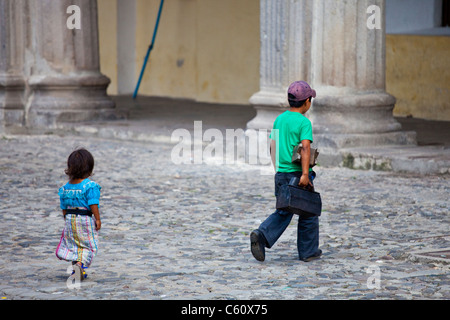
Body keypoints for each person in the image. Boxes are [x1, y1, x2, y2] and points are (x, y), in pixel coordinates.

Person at [250, 80, 322, 262]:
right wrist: (305, 175)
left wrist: (278, 169)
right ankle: (308, 252)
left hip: (281, 174)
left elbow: (272, 146)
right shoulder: (304, 123)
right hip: (297, 175)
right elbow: (305, 148)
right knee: (309, 212)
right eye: (310, 99)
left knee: (284, 210)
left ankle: (262, 235)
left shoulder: (279, 119)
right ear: (306, 102)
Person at [55, 148, 102, 281]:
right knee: (87, 245)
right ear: (89, 168)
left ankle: (76, 269)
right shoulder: (90, 186)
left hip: (70, 219)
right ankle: (80, 266)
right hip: (85, 218)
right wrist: (97, 219)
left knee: (74, 243)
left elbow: (63, 206)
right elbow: (93, 204)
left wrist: (66, 218)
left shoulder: (65, 188)